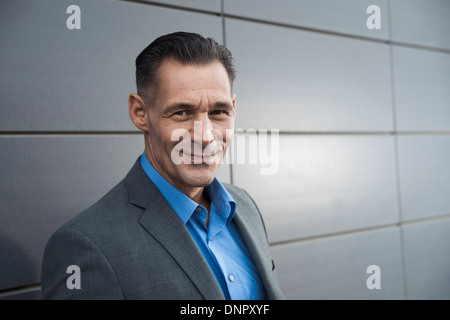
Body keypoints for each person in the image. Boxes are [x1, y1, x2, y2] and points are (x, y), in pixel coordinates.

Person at [41, 32, 284, 300]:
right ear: (139, 113)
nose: (205, 136)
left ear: (234, 110)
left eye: (218, 112)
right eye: (181, 113)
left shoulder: (246, 207)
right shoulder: (85, 246)